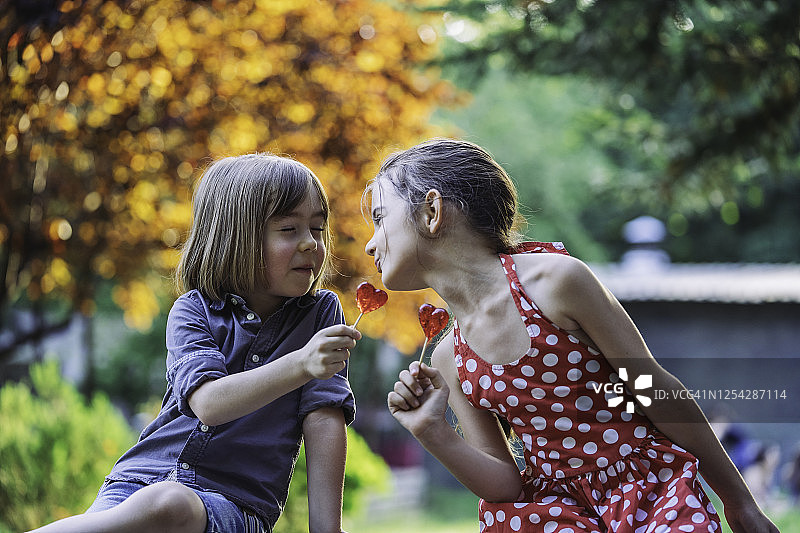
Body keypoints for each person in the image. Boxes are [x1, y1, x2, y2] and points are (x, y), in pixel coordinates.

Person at [366, 138, 778, 532]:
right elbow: (505, 486)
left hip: (647, 491)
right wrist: (431, 431)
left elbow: (653, 388)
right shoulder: (448, 359)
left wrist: (739, 501)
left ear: (432, 211)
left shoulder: (556, 282)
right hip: (553, 516)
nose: (369, 244)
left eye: (381, 218)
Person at [29, 154, 360, 533]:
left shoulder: (318, 315)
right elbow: (209, 403)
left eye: (317, 228)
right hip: (136, 484)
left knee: (169, 504)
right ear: (235, 238)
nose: (310, 244)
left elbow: (324, 417)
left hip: (234, 506)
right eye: (288, 229)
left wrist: (326, 529)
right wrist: (301, 365)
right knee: (156, 504)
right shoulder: (192, 310)